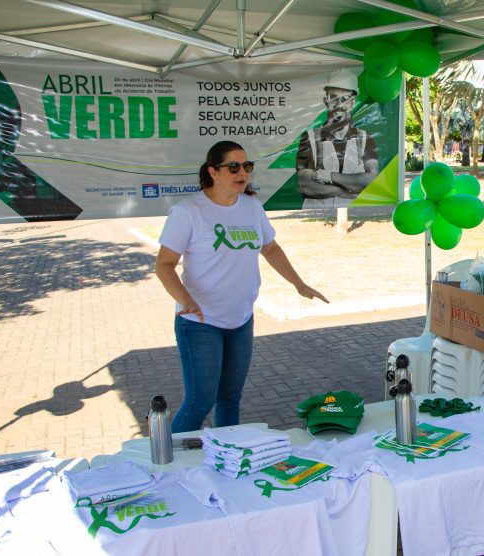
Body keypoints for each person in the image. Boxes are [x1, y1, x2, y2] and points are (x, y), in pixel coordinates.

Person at [155, 140, 328, 433]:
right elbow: (164, 265)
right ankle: (165, 462)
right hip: (199, 323)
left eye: (246, 166)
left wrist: (299, 284)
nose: (242, 172)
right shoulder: (188, 212)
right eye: (233, 166)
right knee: (199, 401)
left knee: (230, 398)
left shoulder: (251, 207)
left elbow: (270, 249)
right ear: (213, 172)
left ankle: (227, 455)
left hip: (240, 319)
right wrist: (185, 299)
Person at [296, 69, 379, 209]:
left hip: (354, 216)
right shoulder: (309, 138)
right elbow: (306, 187)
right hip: (315, 220)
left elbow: (371, 180)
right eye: (333, 98)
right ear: (326, 101)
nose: (339, 104)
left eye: (345, 99)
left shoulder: (365, 138)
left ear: (352, 103)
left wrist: (328, 176)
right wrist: (353, 188)